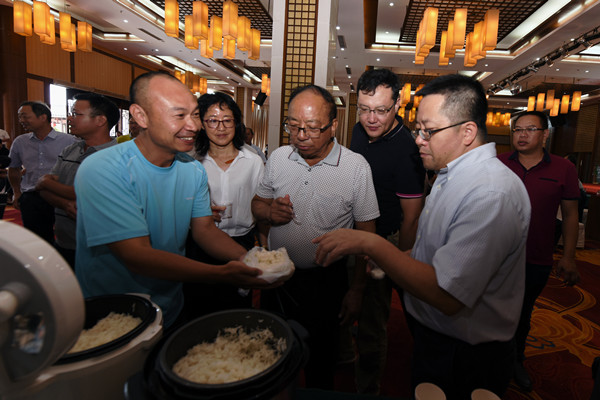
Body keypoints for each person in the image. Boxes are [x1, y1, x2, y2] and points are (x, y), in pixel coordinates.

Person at [313, 74, 531, 399]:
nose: (418, 140)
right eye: (418, 129)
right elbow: (436, 249)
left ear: (467, 132)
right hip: (439, 334)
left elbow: (447, 293)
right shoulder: (451, 173)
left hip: (466, 351)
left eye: (428, 131)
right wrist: (399, 258)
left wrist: (371, 243)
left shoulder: (489, 193)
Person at [74, 71, 278, 329]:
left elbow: (205, 230)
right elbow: (136, 254)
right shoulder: (104, 168)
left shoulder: (191, 170)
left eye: (195, 115)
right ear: (141, 116)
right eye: (179, 115)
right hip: (114, 314)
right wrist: (220, 273)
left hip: (170, 304)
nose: (193, 126)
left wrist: (249, 260)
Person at [251, 84, 379, 390]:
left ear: (333, 125)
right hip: (276, 277)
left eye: (311, 128)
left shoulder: (355, 168)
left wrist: (357, 290)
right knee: (270, 356)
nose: (300, 136)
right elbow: (256, 204)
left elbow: (367, 237)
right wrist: (269, 212)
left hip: (325, 282)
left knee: (321, 363)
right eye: (293, 126)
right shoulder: (279, 157)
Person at [349, 68, 425, 394]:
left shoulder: (407, 149)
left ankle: (368, 388)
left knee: (374, 321)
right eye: (364, 109)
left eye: (381, 110)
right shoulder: (358, 130)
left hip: (388, 239)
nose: (371, 119)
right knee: (353, 301)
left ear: (398, 104)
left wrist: (398, 262)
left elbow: (412, 217)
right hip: (357, 233)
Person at [498, 110, 581, 391]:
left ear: (545, 134)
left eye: (530, 129)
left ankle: (515, 361)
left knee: (522, 314)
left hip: (535, 256)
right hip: (495, 256)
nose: (522, 135)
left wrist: (568, 257)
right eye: (517, 129)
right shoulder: (498, 163)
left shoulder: (563, 168)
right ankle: (486, 360)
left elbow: (570, 215)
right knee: (489, 310)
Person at [182, 92, 265, 319]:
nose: (221, 127)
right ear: (201, 123)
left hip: (242, 241)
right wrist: (199, 212)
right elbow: (178, 204)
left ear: (236, 123)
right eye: (212, 120)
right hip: (199, 245)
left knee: (236, 312)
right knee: (200, 309)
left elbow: (260, 206)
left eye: (227, 120)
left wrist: (265, 247)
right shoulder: (190, 161)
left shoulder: (253, 161)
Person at [35, 93, 119, 268]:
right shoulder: (70, 150)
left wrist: (46, 181)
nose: (69, 118)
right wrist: (65, 204)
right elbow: (42, 191)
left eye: (76, 114)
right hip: (64, 240)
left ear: (100, 120)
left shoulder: (117, 155)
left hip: (101, 247)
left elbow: (85, 194)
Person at [8, 101, 76, 243]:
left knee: (66, 238)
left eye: (25, 116)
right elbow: (14, 168)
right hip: (31, 197)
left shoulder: (69, 141)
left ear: (43, 117)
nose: (21, 120)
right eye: (20, 117)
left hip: (60, 197)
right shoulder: (20, 142)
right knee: (36, 240)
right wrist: (16, 192)